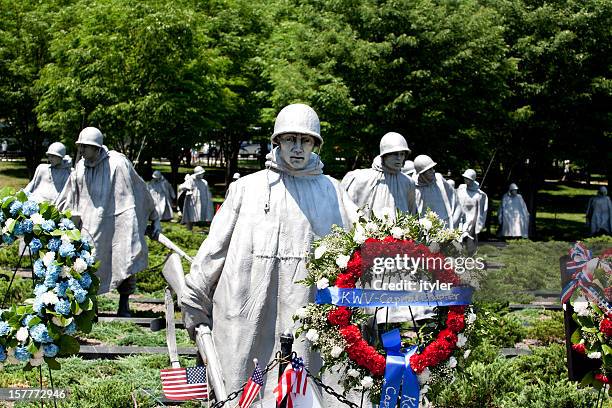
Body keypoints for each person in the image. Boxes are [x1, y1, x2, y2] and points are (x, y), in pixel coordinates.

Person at [181, 103, 357, 398]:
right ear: (277, 141)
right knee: (242, 387)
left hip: (308, 310)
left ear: (315, 144)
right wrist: (196, 292)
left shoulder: (334, 191)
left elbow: (362, 246)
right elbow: (216, 247)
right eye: (290, 139)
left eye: (306, 140)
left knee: (309, 390)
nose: (298, 148)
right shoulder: (247, 188)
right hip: (249, 306)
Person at [56, 127, 161, 316]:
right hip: (88, 225)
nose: (82, 152)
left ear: (97, 148)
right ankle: (90, 305)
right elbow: (69, 194)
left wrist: (154, 217)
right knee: (86, 263)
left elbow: (139, 190)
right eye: (80, 147)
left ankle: (124, 303)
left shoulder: (118, 164)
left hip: (116, 224)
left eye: (86, 147)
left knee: (125, 259)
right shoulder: (80, 167)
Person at [341, 132, 416, 219]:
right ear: (384, 155)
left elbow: (412, 213)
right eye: (395, 154)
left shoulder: (408, 182)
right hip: (368, 231)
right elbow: (348, 210)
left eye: (402, 154)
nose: (399, 158)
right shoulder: (361, 177)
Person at [413, 154, 462, 229]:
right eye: (429, 170)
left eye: (433, 168)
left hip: (445, 226)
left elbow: (455, 200)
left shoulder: (439, 180)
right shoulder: (415, 187)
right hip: (425, 229)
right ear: (421, 173)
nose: (433, 171)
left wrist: (453, 223)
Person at [456, 169, 488, 254]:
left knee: (471, 240)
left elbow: (482, 211)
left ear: (472, 179)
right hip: (460, 219)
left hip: (472, 221)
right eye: (465, 178)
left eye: (468, 178)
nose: (466, 180)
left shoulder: (480, 195)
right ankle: (459, 254)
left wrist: (479, 223)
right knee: (458, 239)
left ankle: (471, 256)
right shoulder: (460, 190)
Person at [177, 166, 214, 230]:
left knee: (200, 214)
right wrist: (186, 188)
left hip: (201, 201)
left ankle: (201, 226)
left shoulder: (204, 182)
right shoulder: (191, 180)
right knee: (190, 215)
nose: (202, 175)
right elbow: (181, 187)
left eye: (202, 173)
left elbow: (207, 193)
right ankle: (189, 228)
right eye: (200, 174)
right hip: (192, 201)